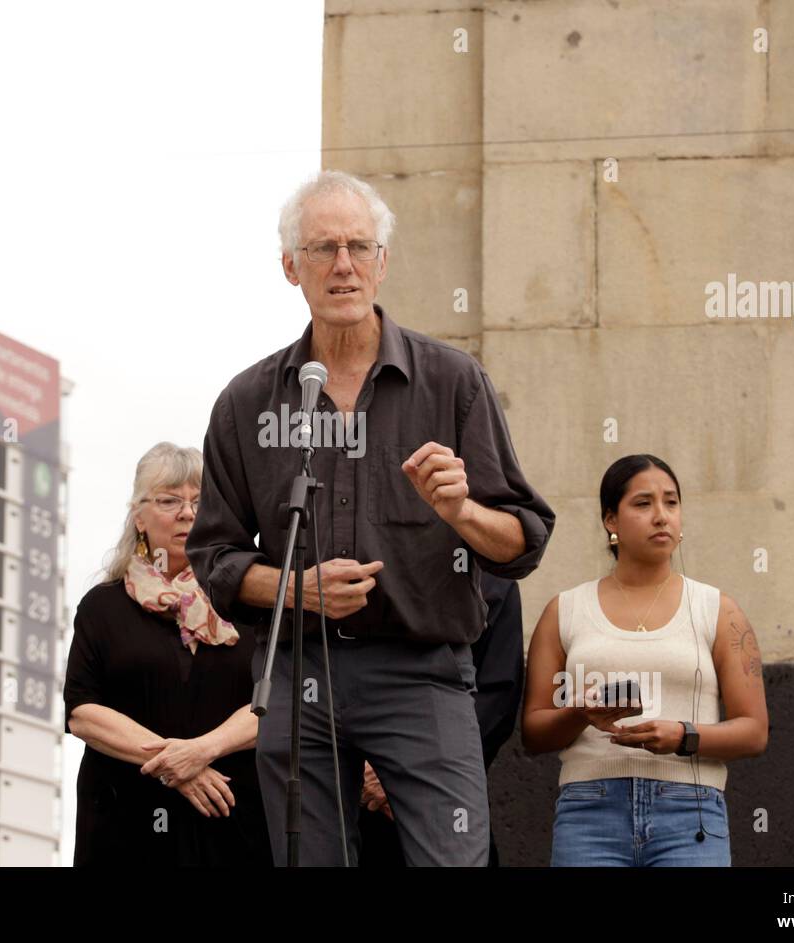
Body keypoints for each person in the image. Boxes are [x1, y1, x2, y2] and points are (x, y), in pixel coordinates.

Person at [186, 169, 555, 866]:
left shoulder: (453, 381)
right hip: (296, 676)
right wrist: (297, 591)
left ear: (383, 262)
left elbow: (522, 542)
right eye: (323, 248)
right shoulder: (246, 403)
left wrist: (462, 510)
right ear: (291, 267)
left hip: (424, 673)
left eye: (359, 246)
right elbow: (214, 560)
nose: (343, 265)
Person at [522, 454, 768, 867]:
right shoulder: (565, 609)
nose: (661, 516)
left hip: (690, 810)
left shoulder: (717, 609)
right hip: (590, 809)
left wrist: (683, 736)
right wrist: (580, 712)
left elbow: (754, 731)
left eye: (671, 503)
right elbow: (532, 733)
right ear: (611, 520)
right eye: (643, 503)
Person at [63, 442, 270, 867]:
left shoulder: (249, 604)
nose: (187, 513)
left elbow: (275, 700)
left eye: (199, 501)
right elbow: (82, 712)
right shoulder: (102, 606)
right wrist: (172, 764)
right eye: (169, 500)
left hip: (231, 818)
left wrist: (201, 752)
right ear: (138, 517)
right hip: (125, 822)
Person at [359, 572, 524, 866]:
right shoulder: (361, 565)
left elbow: (496, 697)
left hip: (447, 789)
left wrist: (406, 768)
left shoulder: (493, 581)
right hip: (356, 795)